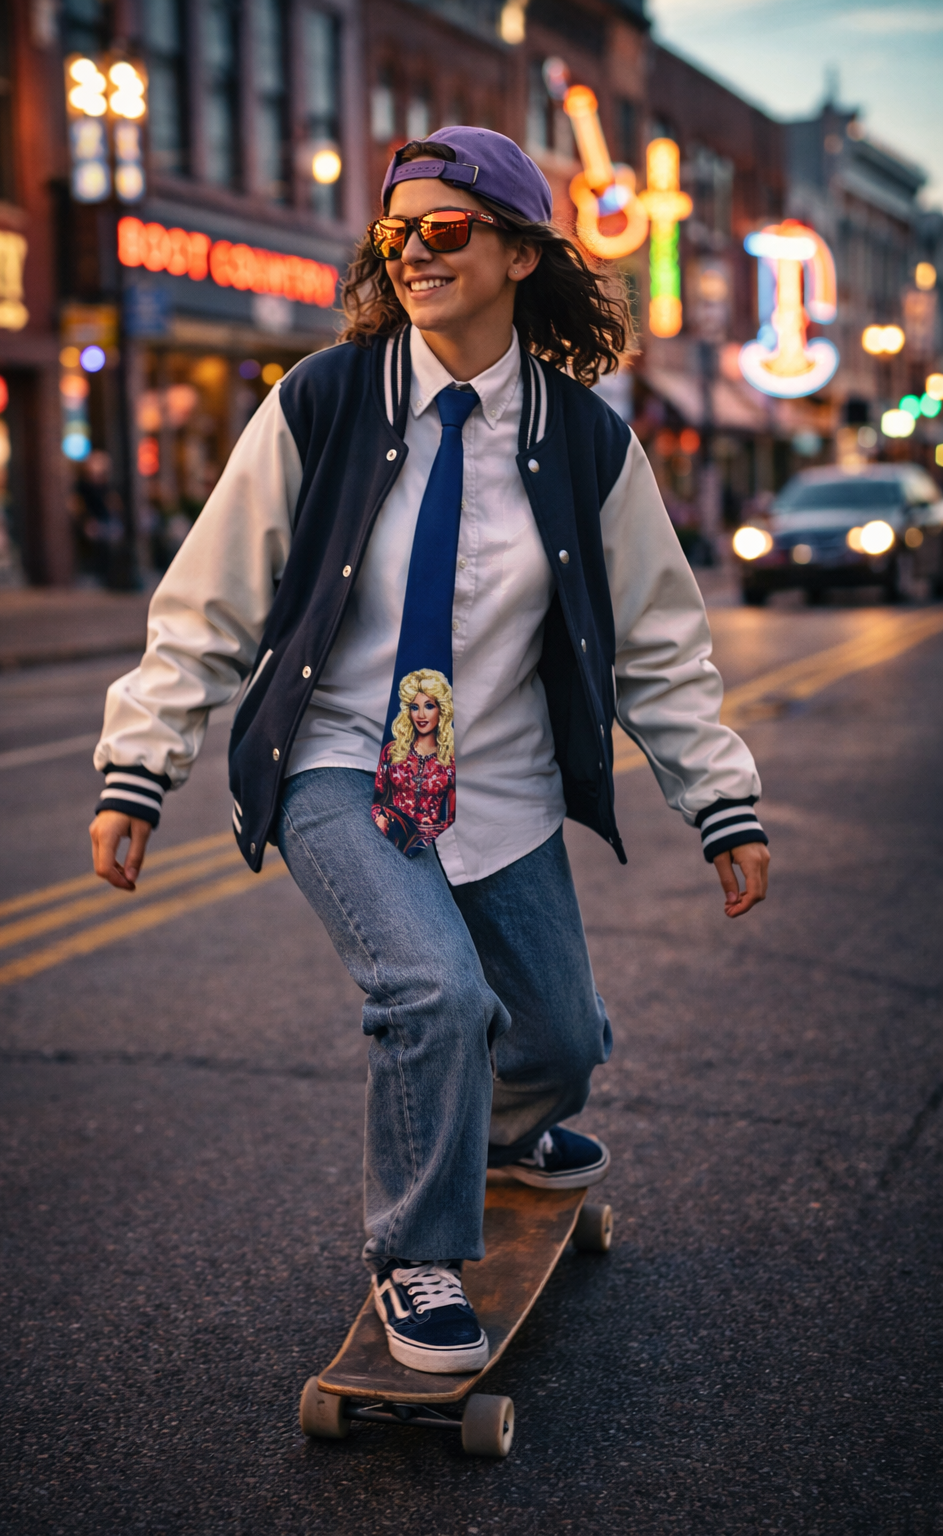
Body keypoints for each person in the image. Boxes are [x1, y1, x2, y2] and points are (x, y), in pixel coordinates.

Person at [90, 128, 770, 1377]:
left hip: (497, 778)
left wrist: (721, 801)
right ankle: (416, 1252)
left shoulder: (585, 442)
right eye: (396, 231)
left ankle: (504, 1130)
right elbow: (207, 605)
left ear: (518, 251)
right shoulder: (321, 402)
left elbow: (660, 645)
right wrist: (141, 766)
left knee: (560, 1043)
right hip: (338, 760)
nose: (413, 251)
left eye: (447, 230)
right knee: (434, 996)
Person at [372, 669, 456, 854]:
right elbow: (379, 799)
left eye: (429, 706)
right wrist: (381, 817)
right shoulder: (392, 751)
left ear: (442, 709)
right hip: (391, 833)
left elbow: (452, 816)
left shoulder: (451, 760)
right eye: (414, 707)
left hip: (437, 844)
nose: (421, 715)